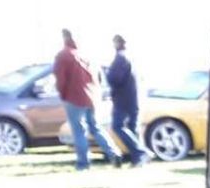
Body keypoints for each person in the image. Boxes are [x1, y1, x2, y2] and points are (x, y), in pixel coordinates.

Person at [53, 30, 119, 171]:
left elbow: (61, 79)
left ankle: (83, 163)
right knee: (95, 127)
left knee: (78, 130)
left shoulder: (63, 55)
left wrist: (63, 95)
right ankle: (114, 153)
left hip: (74, 97)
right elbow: (98, 77)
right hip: (92, 97)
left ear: (64, 38)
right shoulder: (87, 55)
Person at [107, 35, 145, 166]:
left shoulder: (120, 59)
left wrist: (108, 74)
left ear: (117, 43)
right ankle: (138, 159)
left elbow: (115, 79)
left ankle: (140, 152)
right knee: (132, 128)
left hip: (123, 100)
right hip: (134, 98)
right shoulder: (131, 58)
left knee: (117, 126)